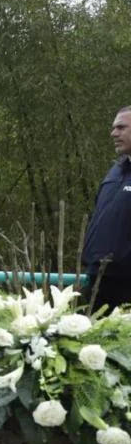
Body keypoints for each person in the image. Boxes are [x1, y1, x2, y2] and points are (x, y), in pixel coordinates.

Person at [81, 106, 131, 312]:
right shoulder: (116, 171)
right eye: (114, 128)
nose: (113, 133)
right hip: (99, 278)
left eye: (121, 127)